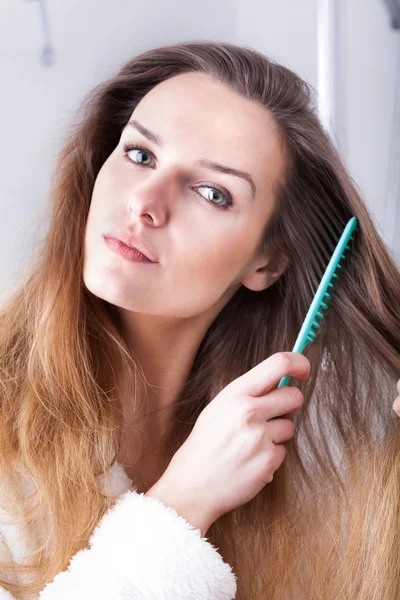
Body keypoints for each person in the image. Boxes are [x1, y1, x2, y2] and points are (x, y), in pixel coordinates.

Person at [0, 39, 399, 600]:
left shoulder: (299, 469)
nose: (145, 201)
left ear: (269, 260)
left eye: (212, 193)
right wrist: (183, 506)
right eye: (140, 155)